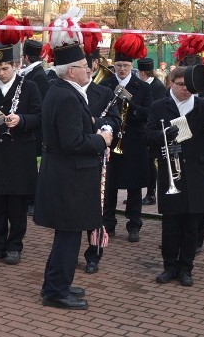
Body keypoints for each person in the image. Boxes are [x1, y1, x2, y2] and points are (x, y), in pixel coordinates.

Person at [36, 8, 113, 310]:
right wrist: (102, 139)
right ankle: (56, 292)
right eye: (83, 66)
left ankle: (56, 283)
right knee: (68, 238)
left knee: (65, 238)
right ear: (70, 71)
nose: (88, 70)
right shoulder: (67, 96)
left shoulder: (61, 91)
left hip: (65, 175)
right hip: (69, 177)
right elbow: (73, 142)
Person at [145, 66, 204, 287]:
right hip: (171, 170)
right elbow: (148, 135)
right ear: (171, 83)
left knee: (192, 224)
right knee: (171, 223)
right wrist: (163, 135)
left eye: (189, 86)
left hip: (197, 171)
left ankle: (186, 268)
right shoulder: (159, 106)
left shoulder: (202, 104)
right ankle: (169, 266)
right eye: (181, 85)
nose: (186, 89)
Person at [0, 39, 42, 265]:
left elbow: (39, 117)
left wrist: (21, 119)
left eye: (5, 68)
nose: (1, 73)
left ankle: (15, 246)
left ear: (14, 65)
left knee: (17, 204)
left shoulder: (29, 87)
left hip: (19, 154)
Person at [99, 33, 154, 243]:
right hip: (111, 141)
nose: (122, 69)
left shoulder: (144, 87)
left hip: (134, 142)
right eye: (119, 65)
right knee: (110, 185)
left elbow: (148, 113)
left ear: (132, 67)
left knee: (134, 187)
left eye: (126, 65)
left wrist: (129, 105)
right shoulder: (106, 84)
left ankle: (134, 225)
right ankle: (108, 223)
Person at [80, 31, 122, 275]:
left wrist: (97, 123)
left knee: (98, 208)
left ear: (94, 65)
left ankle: (93, 254)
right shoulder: (64, 90)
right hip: (74, 159)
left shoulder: (105, 93)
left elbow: (115, 122)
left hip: (97, 160)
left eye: (86, 65)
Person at [20, 38, 51, 218]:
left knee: (30, 167)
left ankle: (32, 200)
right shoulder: (33, 73)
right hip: (29, 127)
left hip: (34, 129)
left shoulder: (37, 76)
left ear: (26, 57)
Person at [137, 57, 165, 206]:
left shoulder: (157, 86)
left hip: (153, 129)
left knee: (150, 162)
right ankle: (141, 193)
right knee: (144, 162)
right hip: (143, 128)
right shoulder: (143, 85)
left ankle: (151, 193)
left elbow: (156, 108)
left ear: (142, 72)